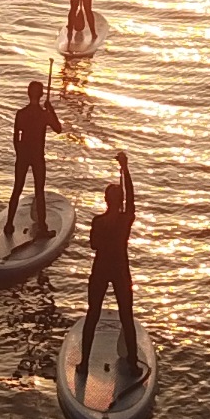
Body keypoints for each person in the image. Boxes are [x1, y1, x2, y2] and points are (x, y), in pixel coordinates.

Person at [80, 149, 142, 386]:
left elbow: (94, 246)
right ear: (119, 202)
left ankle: (84, 363)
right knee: (126, 316)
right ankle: (133, 364)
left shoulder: (98, 222)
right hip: (120, 270)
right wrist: (125, 169)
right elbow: (130, 198)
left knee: (92, 314)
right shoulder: (126, 220)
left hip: (100, 270)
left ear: (106, 201)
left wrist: (122, 171)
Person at [6, 79, 65, 243]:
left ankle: (9, 224)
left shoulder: (21, 113)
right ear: (40, 95)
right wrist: (51, 110)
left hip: (23, 155)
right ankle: (43, 228)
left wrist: (19, 154)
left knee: (17, 189)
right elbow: (58, 129)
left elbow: (16, 137)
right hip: (37, 156)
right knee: (39, 192)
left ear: (28, 94)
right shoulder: (43, 114)